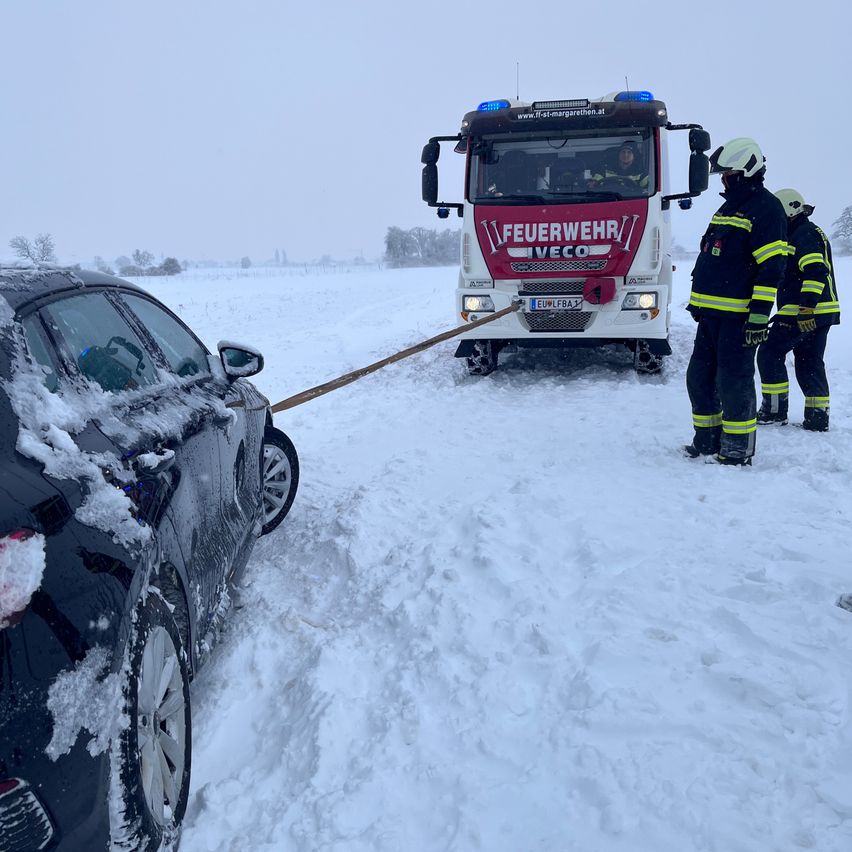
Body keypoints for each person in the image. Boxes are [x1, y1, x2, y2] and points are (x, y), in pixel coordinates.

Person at [683, 137, 788, 465]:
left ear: (746, 171)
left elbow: (771, 270)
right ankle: (707, 441)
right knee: (699, 378)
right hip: (712, 316)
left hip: (739, 318)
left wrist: (759, 315)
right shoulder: (730, 207)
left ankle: (737, 449)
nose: (724, 181)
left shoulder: (767, 210)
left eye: (728, 174)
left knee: (733, 381)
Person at [756, 189, 840, 430]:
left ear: (789, 212)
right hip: (823, 311)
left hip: (803, 311)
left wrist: (806, 309)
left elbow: (815, 271)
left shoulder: (802, 234)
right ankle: (817, 417)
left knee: (770, 353)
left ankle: (773, 410)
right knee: (809, 361)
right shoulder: (808, 231)